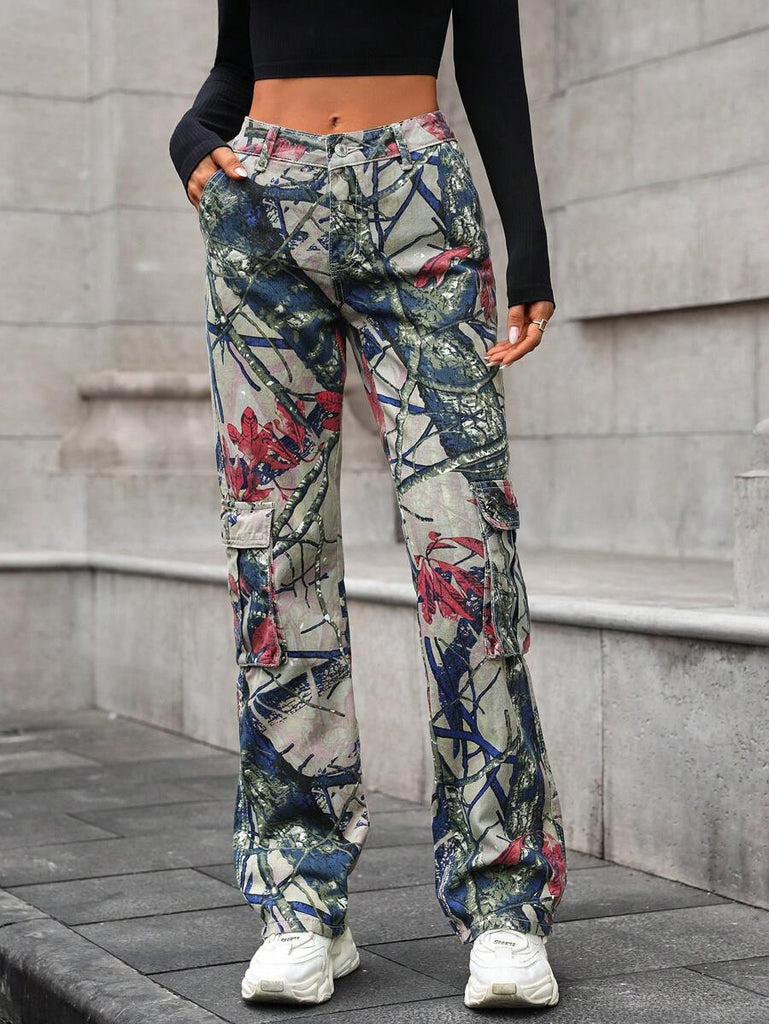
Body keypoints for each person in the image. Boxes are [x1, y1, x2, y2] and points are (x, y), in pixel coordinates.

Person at [169, 0, 566, 1010]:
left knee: (466, 548)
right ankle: (301, 903)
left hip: (418, 199)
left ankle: (504, 902)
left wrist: (528, 242)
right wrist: (192, 138)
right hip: (261, 201)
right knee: (274, 553)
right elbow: (235, 63)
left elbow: (491, 67)